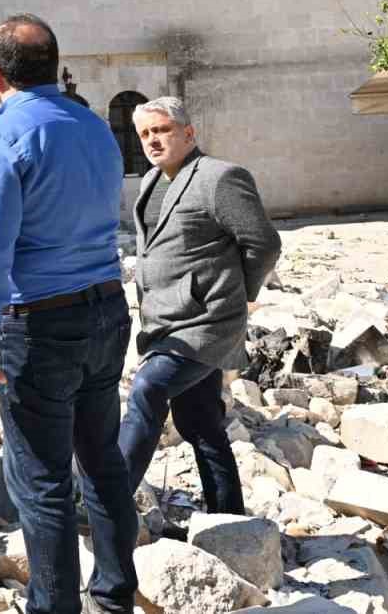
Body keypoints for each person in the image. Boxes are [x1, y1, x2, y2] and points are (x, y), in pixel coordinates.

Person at [0, 14, 136, 614]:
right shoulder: (94, 127)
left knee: (41, 484)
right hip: (107, 308)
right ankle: (114, 597)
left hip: (39, 322)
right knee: (103, 461)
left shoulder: (2, 136)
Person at [119, 96, 281, 515]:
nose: (153, 141)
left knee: (148, 389)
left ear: (188, 134)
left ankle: (108, 500)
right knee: (201, 425)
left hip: (206, 323)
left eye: (162, 131)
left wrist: (238, 294)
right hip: (165, 321)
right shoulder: (152, 182)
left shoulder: (220, 177)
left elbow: (263, 242)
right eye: (145, 134)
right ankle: (229, 518)